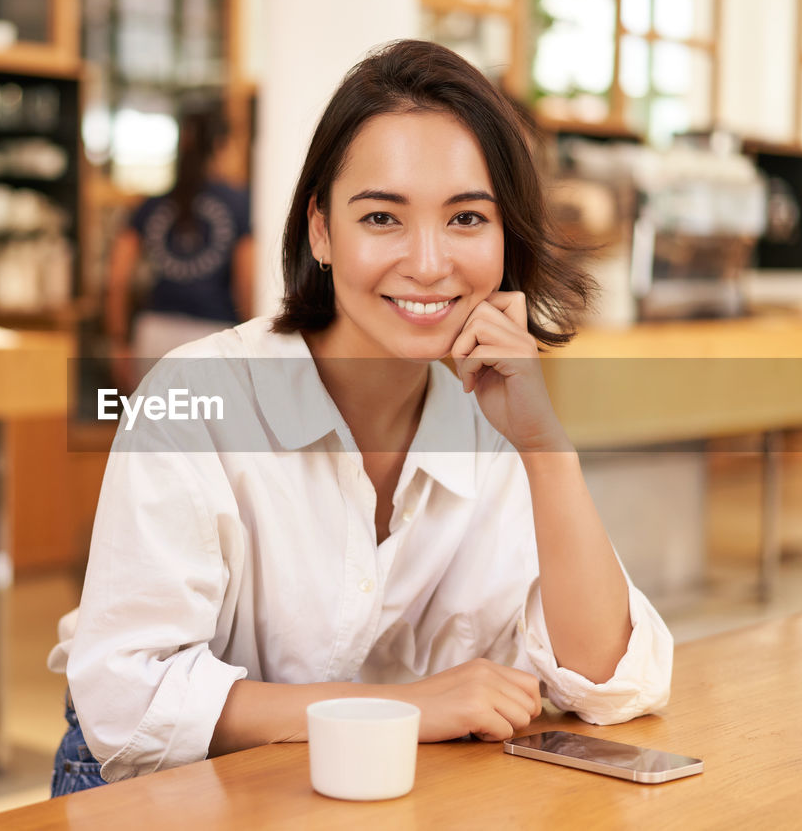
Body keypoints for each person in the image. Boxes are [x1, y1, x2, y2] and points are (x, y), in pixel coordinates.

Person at [49, 40, 673, 797]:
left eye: (467, 218)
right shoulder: (197, 396)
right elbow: (129, 698)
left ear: (505, 233)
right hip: (169, 794)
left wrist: (545, 447)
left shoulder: (491, 422)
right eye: (383, 216)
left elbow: (613, 682)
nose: (429, 261)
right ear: (321, 231)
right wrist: (402, 709)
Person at [104, 103, 255, 391]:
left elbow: (116, 278)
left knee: (153, 430)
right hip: (216, 337)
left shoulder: (152, 205)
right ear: (222, 145)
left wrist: (119, 342)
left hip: (154, 334)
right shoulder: (240, 203)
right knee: (213, 434)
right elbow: (246, 281)